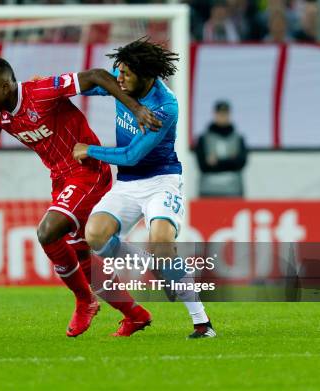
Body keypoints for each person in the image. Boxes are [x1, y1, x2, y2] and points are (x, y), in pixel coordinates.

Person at [0, 57, 161, 337]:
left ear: (5, 86)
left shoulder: (41, 92)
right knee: (83, 257)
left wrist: (137, 108)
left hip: (87, 170)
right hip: (60, 179)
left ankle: (84, 301)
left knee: (48, 231)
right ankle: (135, 315)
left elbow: (96, 76)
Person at [73, 38, 216, 338]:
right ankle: (154, 264)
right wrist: (46, 87)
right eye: (118, 71)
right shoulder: (123, 87)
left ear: (147, 76)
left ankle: (202, 323)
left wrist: (90, 150)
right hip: (127, 184)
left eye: (126, 73)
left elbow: (132, 155)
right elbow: (86, 85)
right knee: (95, 234)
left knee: (162, 243)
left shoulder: (164, 107)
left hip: (160, 181)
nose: (119, 78)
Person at [195, 100, 248, 197]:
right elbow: (203, 166)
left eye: (225, 114)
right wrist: (230, 161)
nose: (223, 117)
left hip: (234, 192)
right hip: (208, 192)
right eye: (220, 114)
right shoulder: (204, 138)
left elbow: (241, 163)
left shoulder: (238, 138)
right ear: (215, 114)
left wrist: (216, 162)